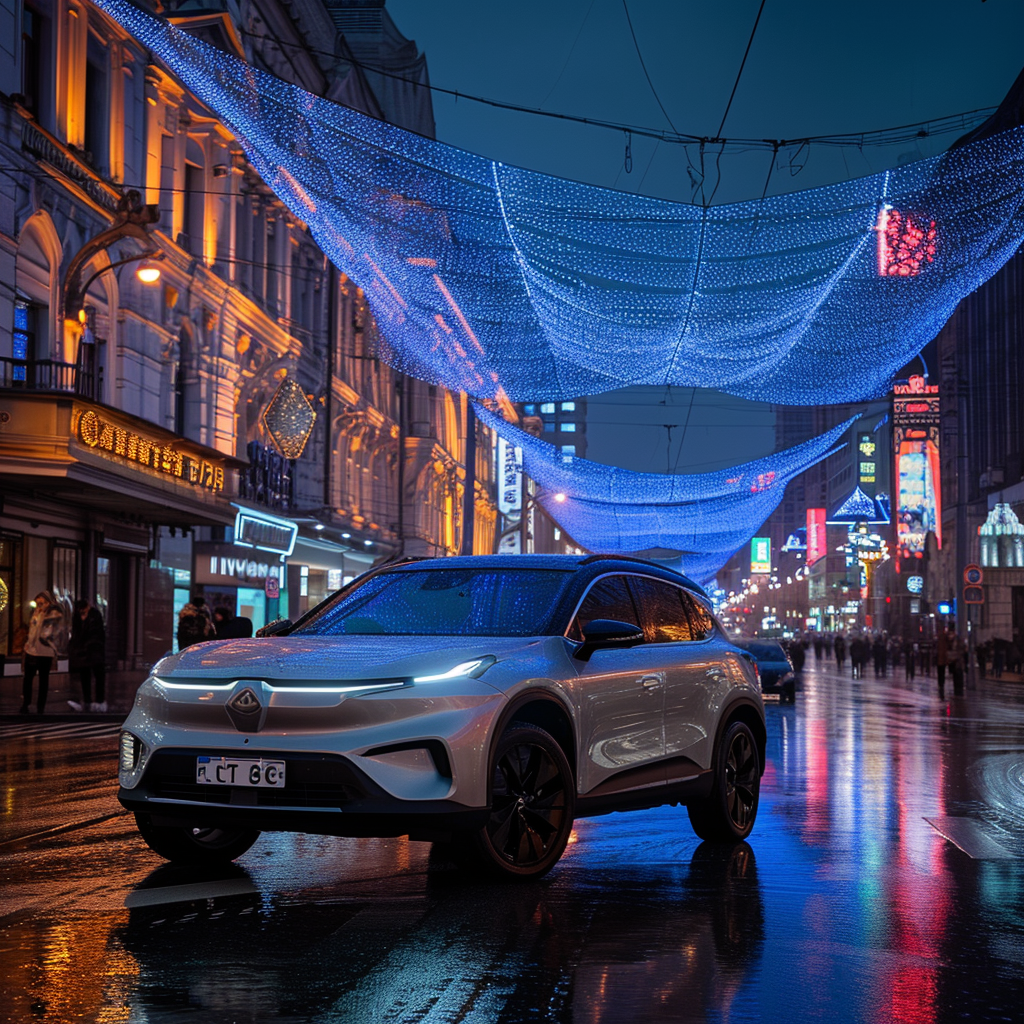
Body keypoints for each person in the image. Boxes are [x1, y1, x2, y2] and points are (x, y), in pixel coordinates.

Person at [20, 591, 64, 714]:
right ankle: (26, 703)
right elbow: (32, 630)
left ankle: (41, 706)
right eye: (38, 603)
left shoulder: (53, 614)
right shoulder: (36, 613)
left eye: (42, 603)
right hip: (32, 650)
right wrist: (28, 644)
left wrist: (43, 616)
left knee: (43, 680)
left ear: (48, 602)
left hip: (45, 651)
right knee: (28, 679)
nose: (40, 605)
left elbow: (48, 632)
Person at [67, 599, 107, 712]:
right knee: (85, 677)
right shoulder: (78, 616)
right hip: (83, 651)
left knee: (98, 676)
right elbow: (76, 633)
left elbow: (96, 633)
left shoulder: (95, 615)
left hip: (94, 651)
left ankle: (99, 701)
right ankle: (87, 701)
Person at [936, 628, 950, 696]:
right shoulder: (945, 641)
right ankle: (941, 684)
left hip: (940, 660)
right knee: (942, 672)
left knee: (940, 672)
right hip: (942, 660)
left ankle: (941, 684)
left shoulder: (940, 641)